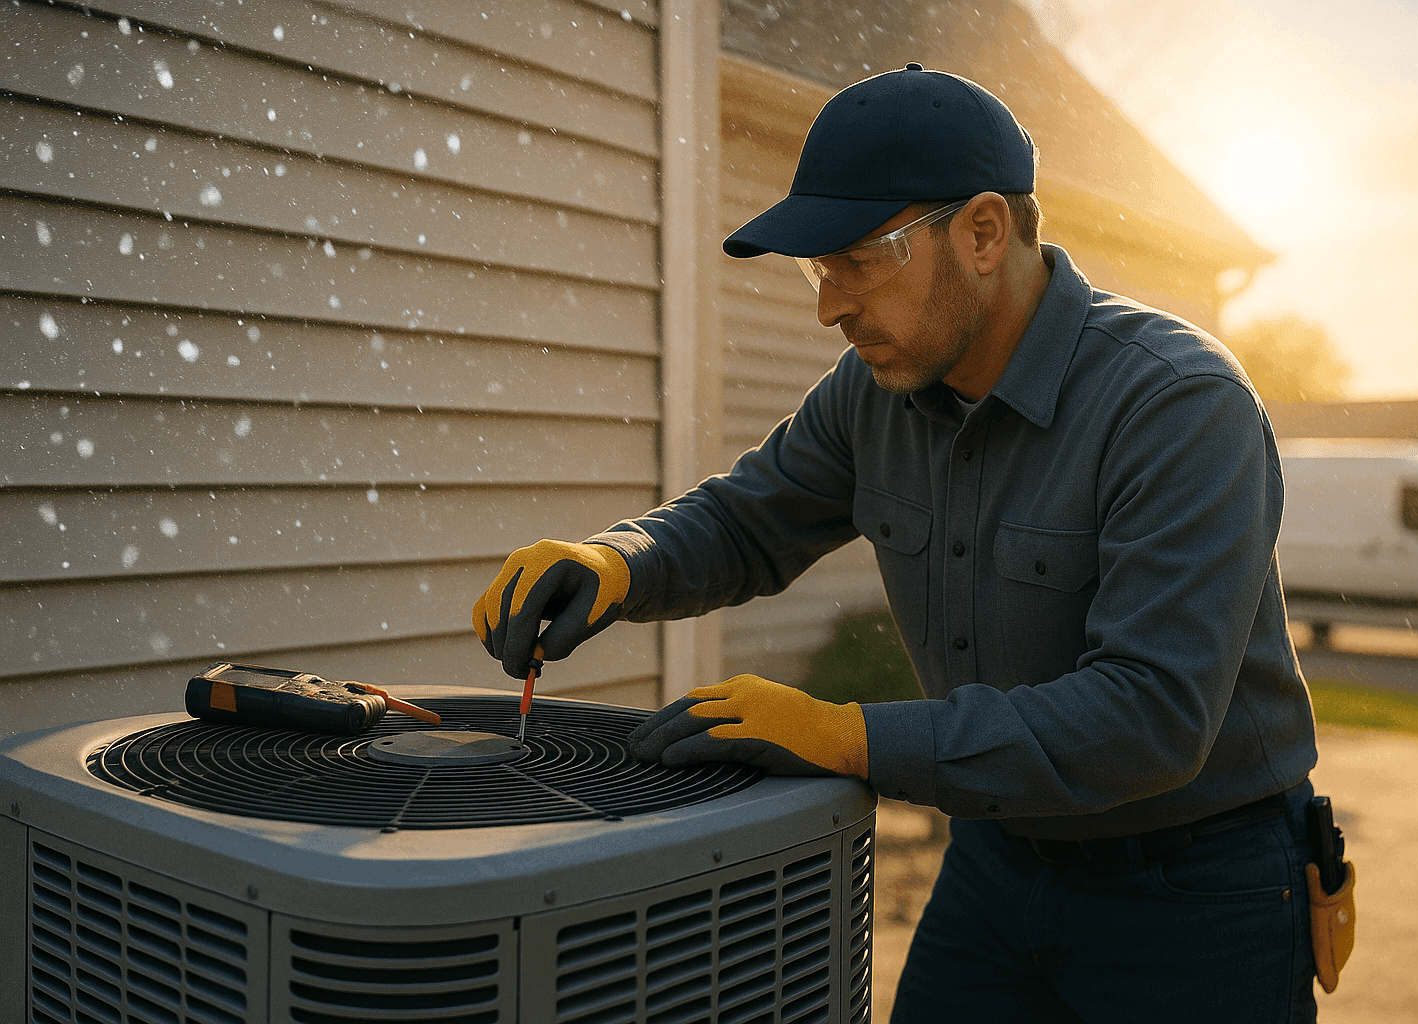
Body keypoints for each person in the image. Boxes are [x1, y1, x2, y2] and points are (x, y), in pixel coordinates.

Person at [473, 64, 1324, 1022]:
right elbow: (747, 518)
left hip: (1199, 893)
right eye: (816, 267)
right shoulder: (874, 393)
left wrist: (845, 737)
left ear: (985, 233)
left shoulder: (1175, 405)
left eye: (859, 259)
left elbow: (1151, 714)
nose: (828, 306)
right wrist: (618, 561)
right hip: (999, 863)